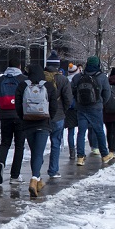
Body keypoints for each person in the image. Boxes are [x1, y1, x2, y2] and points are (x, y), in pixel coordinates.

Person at [15, 64, 57, 197]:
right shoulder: (49, 86)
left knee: (35, 152)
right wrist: (49, 117)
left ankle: (38, 180)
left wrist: (23, 117)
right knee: (38, 153)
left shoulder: (22, 86)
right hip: (43, 123)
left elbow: (17, 105)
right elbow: (54, 106)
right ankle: (34, 179)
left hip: (28, 123)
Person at [71, 56, 113, 166]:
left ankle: (80, 157)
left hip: (81, 108)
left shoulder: (78, 77)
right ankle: (104, 155)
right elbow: (107, 93)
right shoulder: (102, 77)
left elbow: (72, 91)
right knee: (99, 131)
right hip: (96, 108)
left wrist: (78, 102)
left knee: (81, 132)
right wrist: (101, 103)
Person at [0, 58, 27, 184]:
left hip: (5, 116)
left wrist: (1, 110)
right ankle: (15, 176)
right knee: (19, 146)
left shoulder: (0, 80)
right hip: (19, 117)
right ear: (19, 66)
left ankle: (1, 163)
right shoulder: (23, 79)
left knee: (5, 143)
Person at [44, 51, 73, 179]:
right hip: (58, 116)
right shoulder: (63, 79)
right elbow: (68, 99)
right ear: (57, 66)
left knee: (40, 144)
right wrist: (63, 111)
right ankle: (53, 170)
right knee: (56, 143)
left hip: (42, 115)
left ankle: (36, 171)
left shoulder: (40, 78)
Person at [65, 63, 80, 159]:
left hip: (68, 109)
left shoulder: (66, 80)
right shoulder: (78, 80)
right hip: (78, 107)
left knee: (71, 131)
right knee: (81, 131)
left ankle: (72, 151)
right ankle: (80, 151)